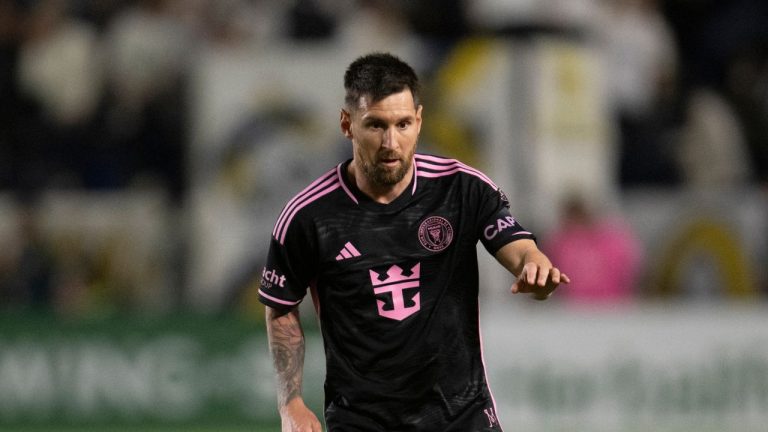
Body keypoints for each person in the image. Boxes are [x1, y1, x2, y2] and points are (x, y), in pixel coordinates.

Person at [259, 52, 570, 432]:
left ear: (419, 121)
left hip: (462, 416)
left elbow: (518, 247)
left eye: (403, 124)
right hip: (362, 421)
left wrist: (536, 267)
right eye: (375, 125)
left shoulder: (461, 188)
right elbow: (281, 307)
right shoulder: (308, 217)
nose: (391, 142)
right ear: (347, 124)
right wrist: (290, 403)